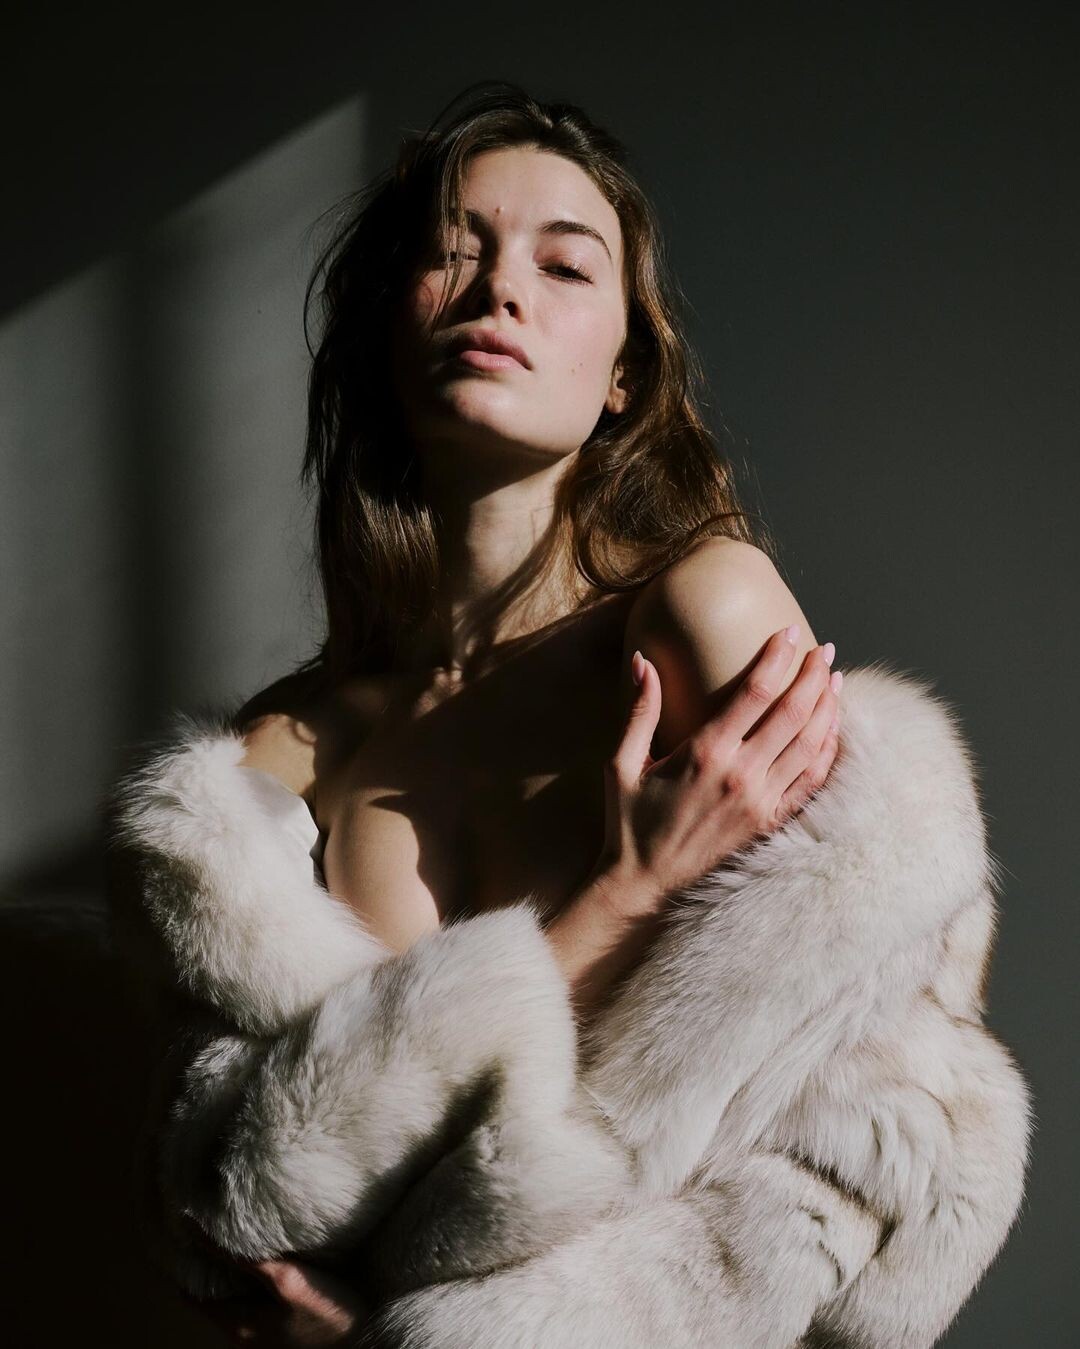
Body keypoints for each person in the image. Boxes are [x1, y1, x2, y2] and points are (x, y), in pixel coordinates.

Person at [110, 81, 1027, 1349]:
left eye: (564, 264)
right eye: (455, 250)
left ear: (622, 376)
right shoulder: (273, 771)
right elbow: (236, 1198)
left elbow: (867, 1168)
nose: (501, 291)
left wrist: (410, 1324)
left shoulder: (702, 620)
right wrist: (626, 894)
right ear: (387, 329)